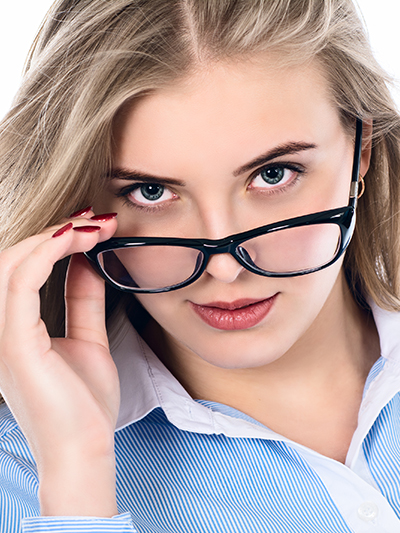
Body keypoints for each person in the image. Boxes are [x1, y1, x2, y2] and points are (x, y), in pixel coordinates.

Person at [1, 0, 400, 531]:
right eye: (151, 191)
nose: (226, 267)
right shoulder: (23, 474)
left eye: (275, 174)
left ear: (362, 150)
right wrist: (77, 477)